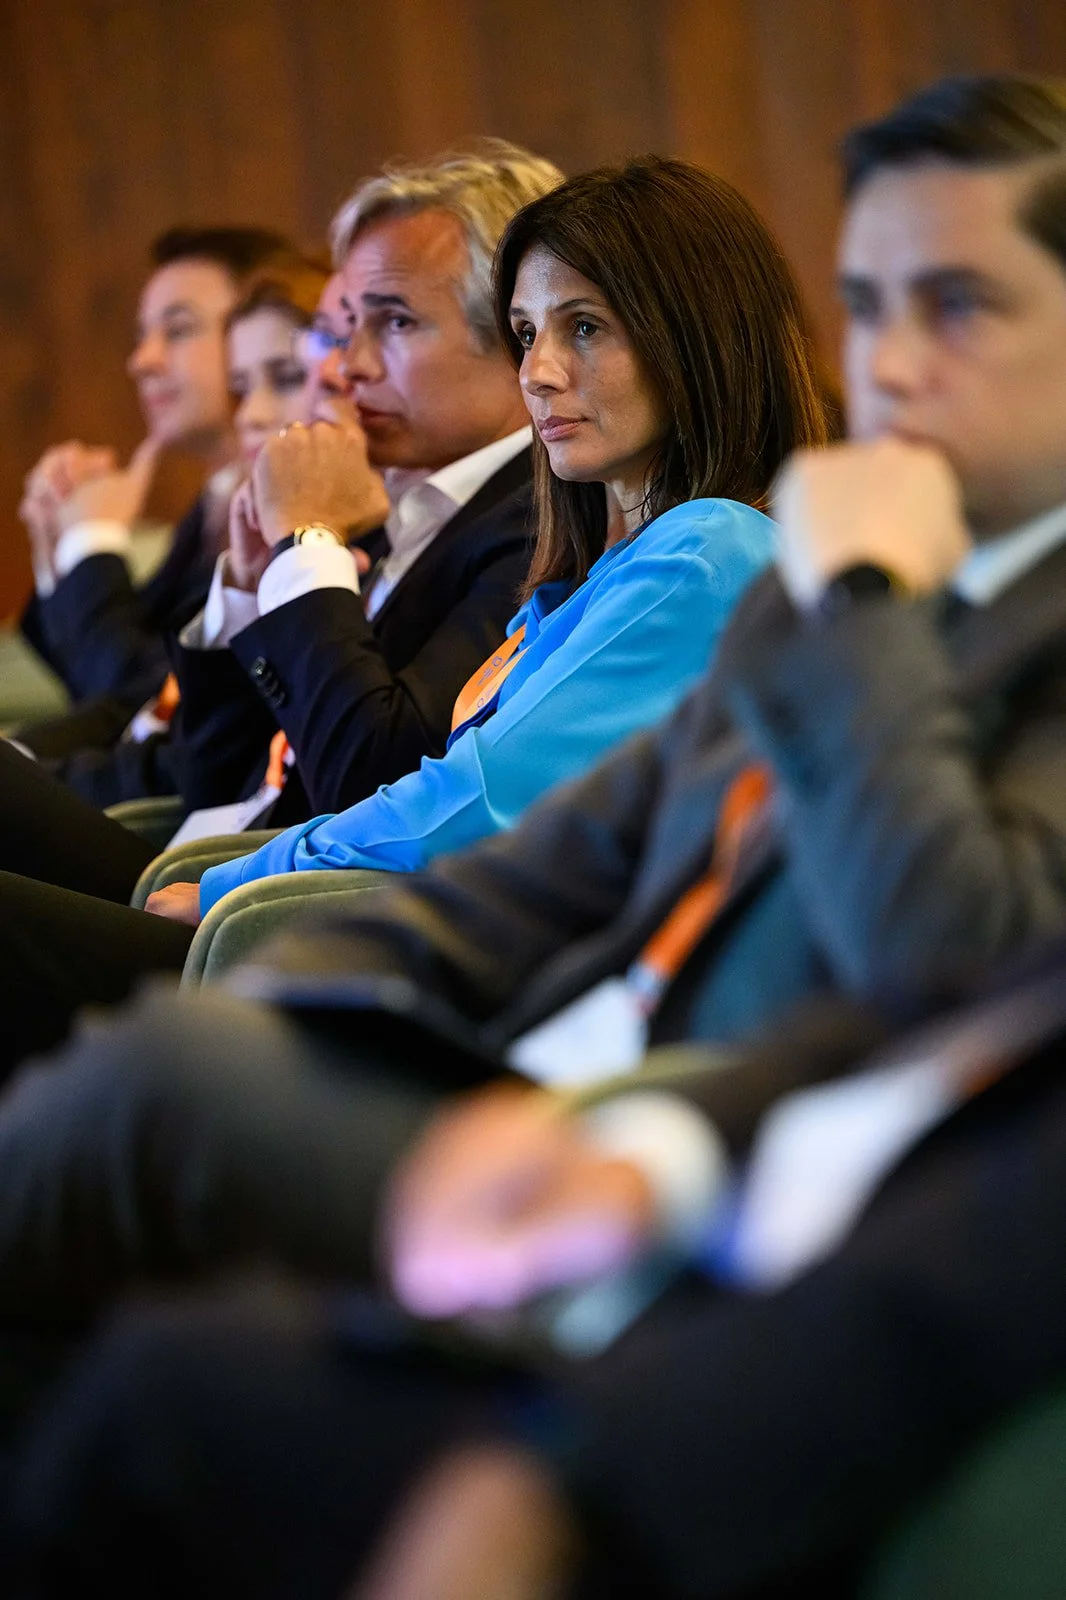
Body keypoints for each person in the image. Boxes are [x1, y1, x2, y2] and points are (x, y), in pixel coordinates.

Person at [2, 71, 1066, 1595]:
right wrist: (310, 987)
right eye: (867, 301)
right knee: (150, 1316)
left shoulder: (804, 569)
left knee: (157, 1139)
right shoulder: (800, 574)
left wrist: (864, 614)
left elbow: (943, 965)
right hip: (558, 1086)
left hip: (672, 1153)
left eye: (952, 304)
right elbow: (530, 865)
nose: (888, 359)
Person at [0, 153, 827, 1067]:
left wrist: (245, 876)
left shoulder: (709, 546)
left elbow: (474, 799)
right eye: (526, 333)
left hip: (444, 986)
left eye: (584, 327)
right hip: (359, 926)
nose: (541, 373)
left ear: (698, 339)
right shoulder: (599, 568)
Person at [18, 225, 294, 718]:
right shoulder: (218, 494)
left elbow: (157, 704)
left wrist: (94, 542)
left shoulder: (293, 508)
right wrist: (55, 545)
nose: (141, 361)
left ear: (258, 328)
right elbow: (94, 690)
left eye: (178, 329)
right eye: (143, 335)